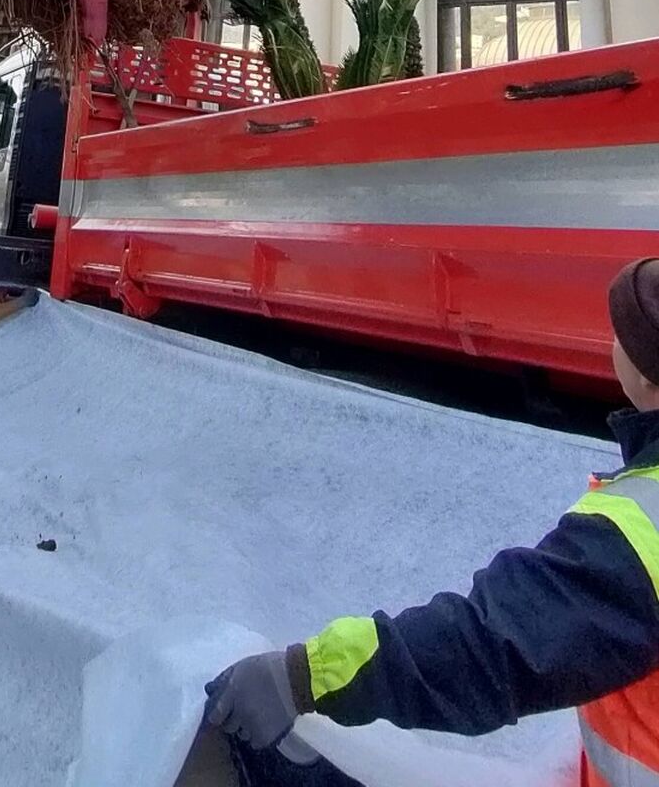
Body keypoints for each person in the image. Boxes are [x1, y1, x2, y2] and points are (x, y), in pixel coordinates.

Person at [205, 257, 659, 787]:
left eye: (619, 333)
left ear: (644, 372)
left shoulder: (637, 537)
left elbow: (489, 644)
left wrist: (302, 676)